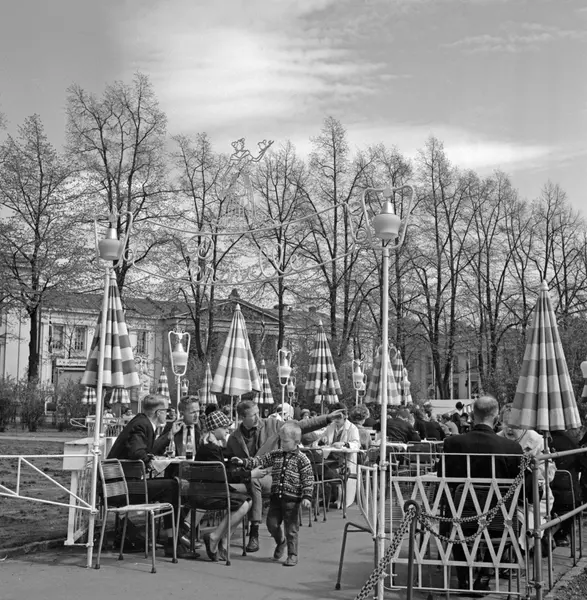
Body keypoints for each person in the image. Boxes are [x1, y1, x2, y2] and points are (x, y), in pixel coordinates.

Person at [226, 399, 344, 553]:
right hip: (248, 478)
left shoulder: (272, 425)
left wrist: (327, 418)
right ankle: (236, 535)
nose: (258, 417)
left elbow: (301, 425)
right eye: (253, 415)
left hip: (272, 477)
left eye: (257, 413)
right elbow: (231, 465)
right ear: (242, 417)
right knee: (251, 482)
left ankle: (254, 532)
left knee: (254, 482)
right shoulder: (234, 438)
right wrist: (245, 472)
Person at [440, 396, 525, 592]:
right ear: (496, 417)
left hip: (461, 515)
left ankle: (464, 578)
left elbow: (443, 478)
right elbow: (519, 485)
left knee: (457, 522)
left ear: (472, 415)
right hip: (499, 518)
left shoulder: (452, 443)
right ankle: (485, 575)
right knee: (507, 523)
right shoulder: (512, 448)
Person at [107, 394, 194, 559]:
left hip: (120, 485)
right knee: (173, 486)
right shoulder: (142, 425)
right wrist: (149, 460)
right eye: (166, 410)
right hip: (120, 488)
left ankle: (173, 540)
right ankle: (173, 542)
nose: (168, 414)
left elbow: (145, 449)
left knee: (172, 486)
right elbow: (137, 452)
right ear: (158, 412)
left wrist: (168, 437)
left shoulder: (141, 422)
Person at [233, 422, 314, 567]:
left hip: (292, 500)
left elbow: (308, 479)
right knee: (272, 524)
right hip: (276, 497)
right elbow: (260, 460)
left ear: (296, 442)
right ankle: (281, 541)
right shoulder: (276, 454)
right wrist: (244, 462)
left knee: (291, 529)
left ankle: (292, 554)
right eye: (281, 440)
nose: (282, 444)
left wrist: (307, 496)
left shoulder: (302, 459)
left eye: (285, 441)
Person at [193, 410, 267, 561]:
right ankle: (215, 537)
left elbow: (219, 470)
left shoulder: (208, 446)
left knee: (247, 501)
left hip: (207, 489)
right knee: (244, 503)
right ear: (214, 429)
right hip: (209, 492)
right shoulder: (211, 449)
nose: (228, 430)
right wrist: (250, 474)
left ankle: (223, 540)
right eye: (224, 427)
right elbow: (223, 475)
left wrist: (233, 462)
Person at [304, 403, 361, 508]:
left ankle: (338, 498)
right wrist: (322, 440)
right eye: (335, 417)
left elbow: (357, 444)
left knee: (332, 472)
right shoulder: (331, 427)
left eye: (339, 417)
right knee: (319, 470)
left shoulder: (352, 428)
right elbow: (320, 439)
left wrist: (344, 444)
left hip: (345, 460)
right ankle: (326, 496)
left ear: (345, 416)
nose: (336, 420)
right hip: (330, 459)